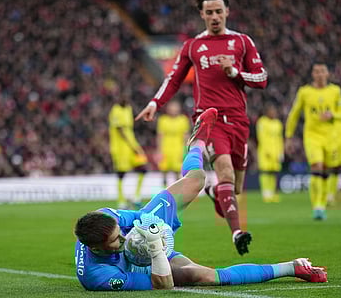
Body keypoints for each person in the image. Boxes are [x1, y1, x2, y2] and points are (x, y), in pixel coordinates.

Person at [74, 108, 327, 291]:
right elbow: (162, 285)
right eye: (116, 240)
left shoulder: (107, 217)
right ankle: (293, 267)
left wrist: (151, 228)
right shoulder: (100, 276)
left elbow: (138, 217)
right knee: (206, 277)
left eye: (120, 233)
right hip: (140, 264)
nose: (123, 238)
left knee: (197, 179)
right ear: (97, 249)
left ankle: (196, 144)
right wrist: (155, 249)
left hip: (148, 233)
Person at [135, 0, 268, 255]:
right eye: (209, 12)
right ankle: (237, 233)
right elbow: (173, 78)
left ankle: (213, 191)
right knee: (227, 173)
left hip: (239, 122)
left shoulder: (243, 42)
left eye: (219, 11)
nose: (215, 16)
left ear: (227, 11)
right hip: (210, 119)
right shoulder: (193, 46)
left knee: (235, 187)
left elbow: (261, 78)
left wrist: (235, 72)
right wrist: (154, 103)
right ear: (202, 14)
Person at [285, 63, 341, 220]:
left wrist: (333, 115)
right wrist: (289, 136)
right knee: (316, 166)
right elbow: (294, 114)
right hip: (312, 136)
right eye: (316, 71)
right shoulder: (305, 92)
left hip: (331, 137)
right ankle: (317, 205)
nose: (320, 74)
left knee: (325, 170)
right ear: (312, 74)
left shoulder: (335, 91)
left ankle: (322, 204)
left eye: (323, 71)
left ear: (328, 73)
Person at [109, 92, 148, 209]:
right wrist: (132, 146)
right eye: (122, 97)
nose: (125, 99)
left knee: (143, 168)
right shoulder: (115, 110)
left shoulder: (128, 109)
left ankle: (136, 197)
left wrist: (133, 145)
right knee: (121, 174)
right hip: (120, 147)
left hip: (132, 144)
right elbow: (120, 130)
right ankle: (121, 202)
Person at [156, 100, 190, 188]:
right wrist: (159, 151)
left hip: (178, 149)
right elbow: (160, 136)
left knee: (177, 172)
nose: (173, 110)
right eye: (171, 108)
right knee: (164, 171)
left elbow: (186, 137)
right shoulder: (163, 120)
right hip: (165, 148)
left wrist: (185, 150)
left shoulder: (183, 120)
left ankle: (177, 192)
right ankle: (163, 191)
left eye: (175, 107)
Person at [256, 103, 284, 203]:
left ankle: (272, 193)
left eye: (274, 111)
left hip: (276, 152)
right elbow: (261, 137)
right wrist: (266, 150)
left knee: (274, 173)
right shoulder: (262, 122)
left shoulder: (278, 123)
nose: (273, 113)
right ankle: (266, 193)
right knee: (265, 172)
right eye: (271, 111)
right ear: (267, 112)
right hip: (265, 152)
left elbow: (280, 139)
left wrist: (281, 152)